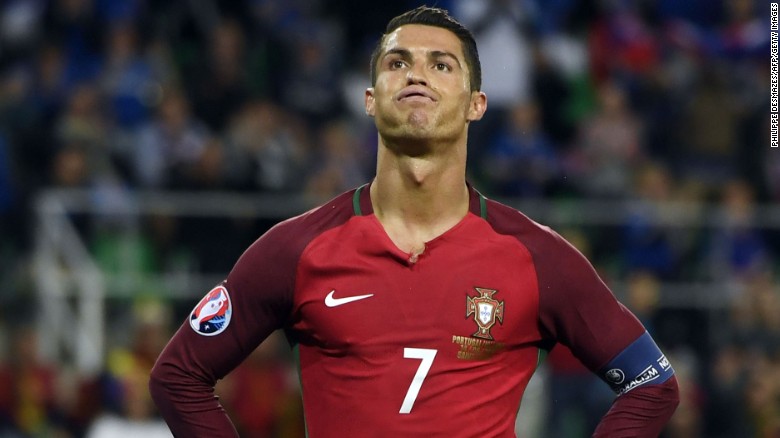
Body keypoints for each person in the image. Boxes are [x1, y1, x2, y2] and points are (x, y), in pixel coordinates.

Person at [149, 6, 679, 437]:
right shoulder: (296, 249)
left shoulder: (537, 257)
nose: (417, 73)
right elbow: (178, 376)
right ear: (370, 100)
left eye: (441, 64)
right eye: (397, 63)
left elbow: (651, 385)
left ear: (476, 104)